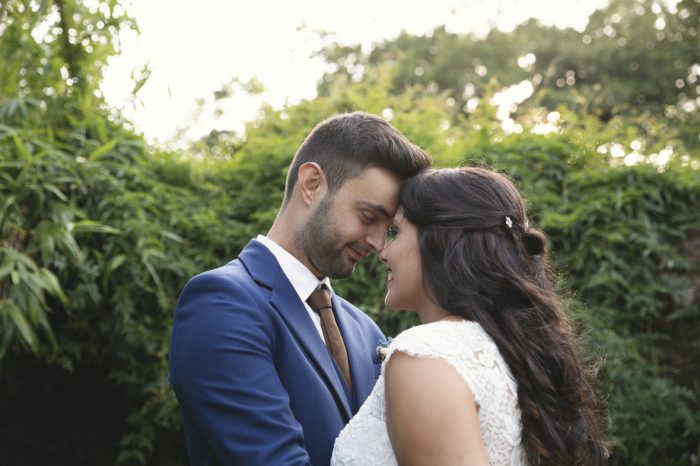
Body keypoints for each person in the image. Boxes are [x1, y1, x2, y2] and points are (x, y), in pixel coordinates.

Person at [168, 111, 431, 465]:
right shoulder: (221, 304)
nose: (378, 243)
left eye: (389, 229)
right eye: (369, 217)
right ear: (311, 184)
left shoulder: (365, 330)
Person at [332, 167, 606, 465]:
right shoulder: (508, 352)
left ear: (439, 239)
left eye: (396, 232)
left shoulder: (427, 354)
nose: (383, 252)